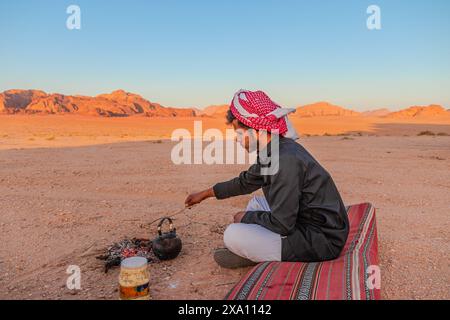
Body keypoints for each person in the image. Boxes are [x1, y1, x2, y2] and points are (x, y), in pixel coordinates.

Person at [185, 90, 349, 269]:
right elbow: (245, 182)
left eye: (240, 134)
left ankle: (259, 254)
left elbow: (283, 224)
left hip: (322, 240)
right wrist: (204, 194)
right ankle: (259, 250)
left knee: (232, 234)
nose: (237, 140)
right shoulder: (274, 149)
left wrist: (246, 217)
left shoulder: (283, 160)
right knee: (256, 203)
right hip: (306, 219)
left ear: (256, 131)